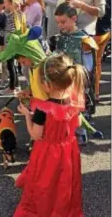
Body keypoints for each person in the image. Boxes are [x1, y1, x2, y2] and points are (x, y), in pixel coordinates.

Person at [13, 53, 85, 217]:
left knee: (44, 182)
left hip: (47, 153)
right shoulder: (74, 101)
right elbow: (78, 124)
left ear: (46, 85)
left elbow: (35, 135)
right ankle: (64, 209)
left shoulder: (42, 109)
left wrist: (26, 114)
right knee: (65, 182)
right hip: (68, 150)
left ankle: (44, 210)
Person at [50, 2, 103, 144]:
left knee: (79, 108)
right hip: (63, 79)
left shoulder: (84, 40)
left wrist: (83, 82)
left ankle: (81, 133)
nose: (60, 25)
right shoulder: (60, 37)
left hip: (78, 81)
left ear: (74, 19)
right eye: (58, 22)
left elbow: (89, 67)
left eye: (63, 22)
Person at [0, 0, 26, 95]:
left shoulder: (12, 16)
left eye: (5, 2)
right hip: (16, 44)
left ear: (11, 3)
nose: (4, 4)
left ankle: (11, 88)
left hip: (11, 45)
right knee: (12, 66)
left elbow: (10, 33)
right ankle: (17, 86)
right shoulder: (19, 14)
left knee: (11, 66)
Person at [94, 0, 111, 102]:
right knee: (98, 62)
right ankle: (97, 91)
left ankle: (94, 91)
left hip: (96, 29)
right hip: (107, 30)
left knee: (93, 63)